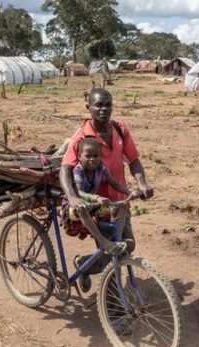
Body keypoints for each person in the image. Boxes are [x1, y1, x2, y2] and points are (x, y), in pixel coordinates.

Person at [60, 88, 154, 281]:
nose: (103, 109)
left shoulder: (120, 129)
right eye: (98, 105)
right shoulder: (82, 138)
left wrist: (142, 184)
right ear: (89, 107)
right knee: (114, 253)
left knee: (128, 244)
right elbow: (65, 169)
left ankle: (84, 265)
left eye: (107, 104)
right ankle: (114, 306)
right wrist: (73, 197)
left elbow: (134, 160)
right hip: (99, 207)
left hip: (120, 202)